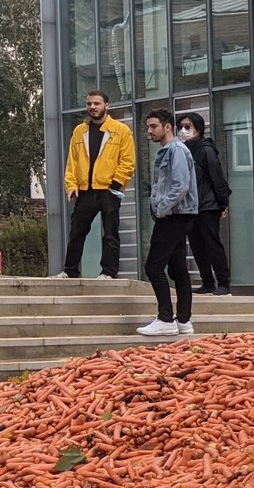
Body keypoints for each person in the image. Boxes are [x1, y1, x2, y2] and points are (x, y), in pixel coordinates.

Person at [61, 91, 137, 279]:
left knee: (110, 233)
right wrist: (71, 185)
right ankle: (70, 271)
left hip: (108, 189)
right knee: (76, 232)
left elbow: (128, 161)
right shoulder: (80, 131)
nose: (92, 107)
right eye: (89, 104)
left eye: (96, 103)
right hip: (85, 190)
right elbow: (72, 161)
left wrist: (116, 184)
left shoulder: (121, 130)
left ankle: (109, 272)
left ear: (107, 106)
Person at [138, 108, 199, 337]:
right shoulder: (169, 151)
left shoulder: (176, 150)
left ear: (167, 127)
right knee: (177, 268)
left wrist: (162, 209)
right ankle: (183, 320)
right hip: (177, 215)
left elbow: (181, 185)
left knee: (153, 266)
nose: (149, 131)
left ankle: (165, 318)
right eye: (148, 127)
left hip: (175, 215)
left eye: (153, 126)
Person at [177, 112, 234, 295]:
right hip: (190, 207)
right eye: (181, 127)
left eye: (188, 126)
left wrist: (222, 203)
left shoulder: (206, 150)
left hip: (207, 205)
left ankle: (223, 282)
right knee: (197, 246)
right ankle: (207, 282)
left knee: (212, 244)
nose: (183, 130)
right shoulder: (183, 150)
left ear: (198, 129)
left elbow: (216, 177)